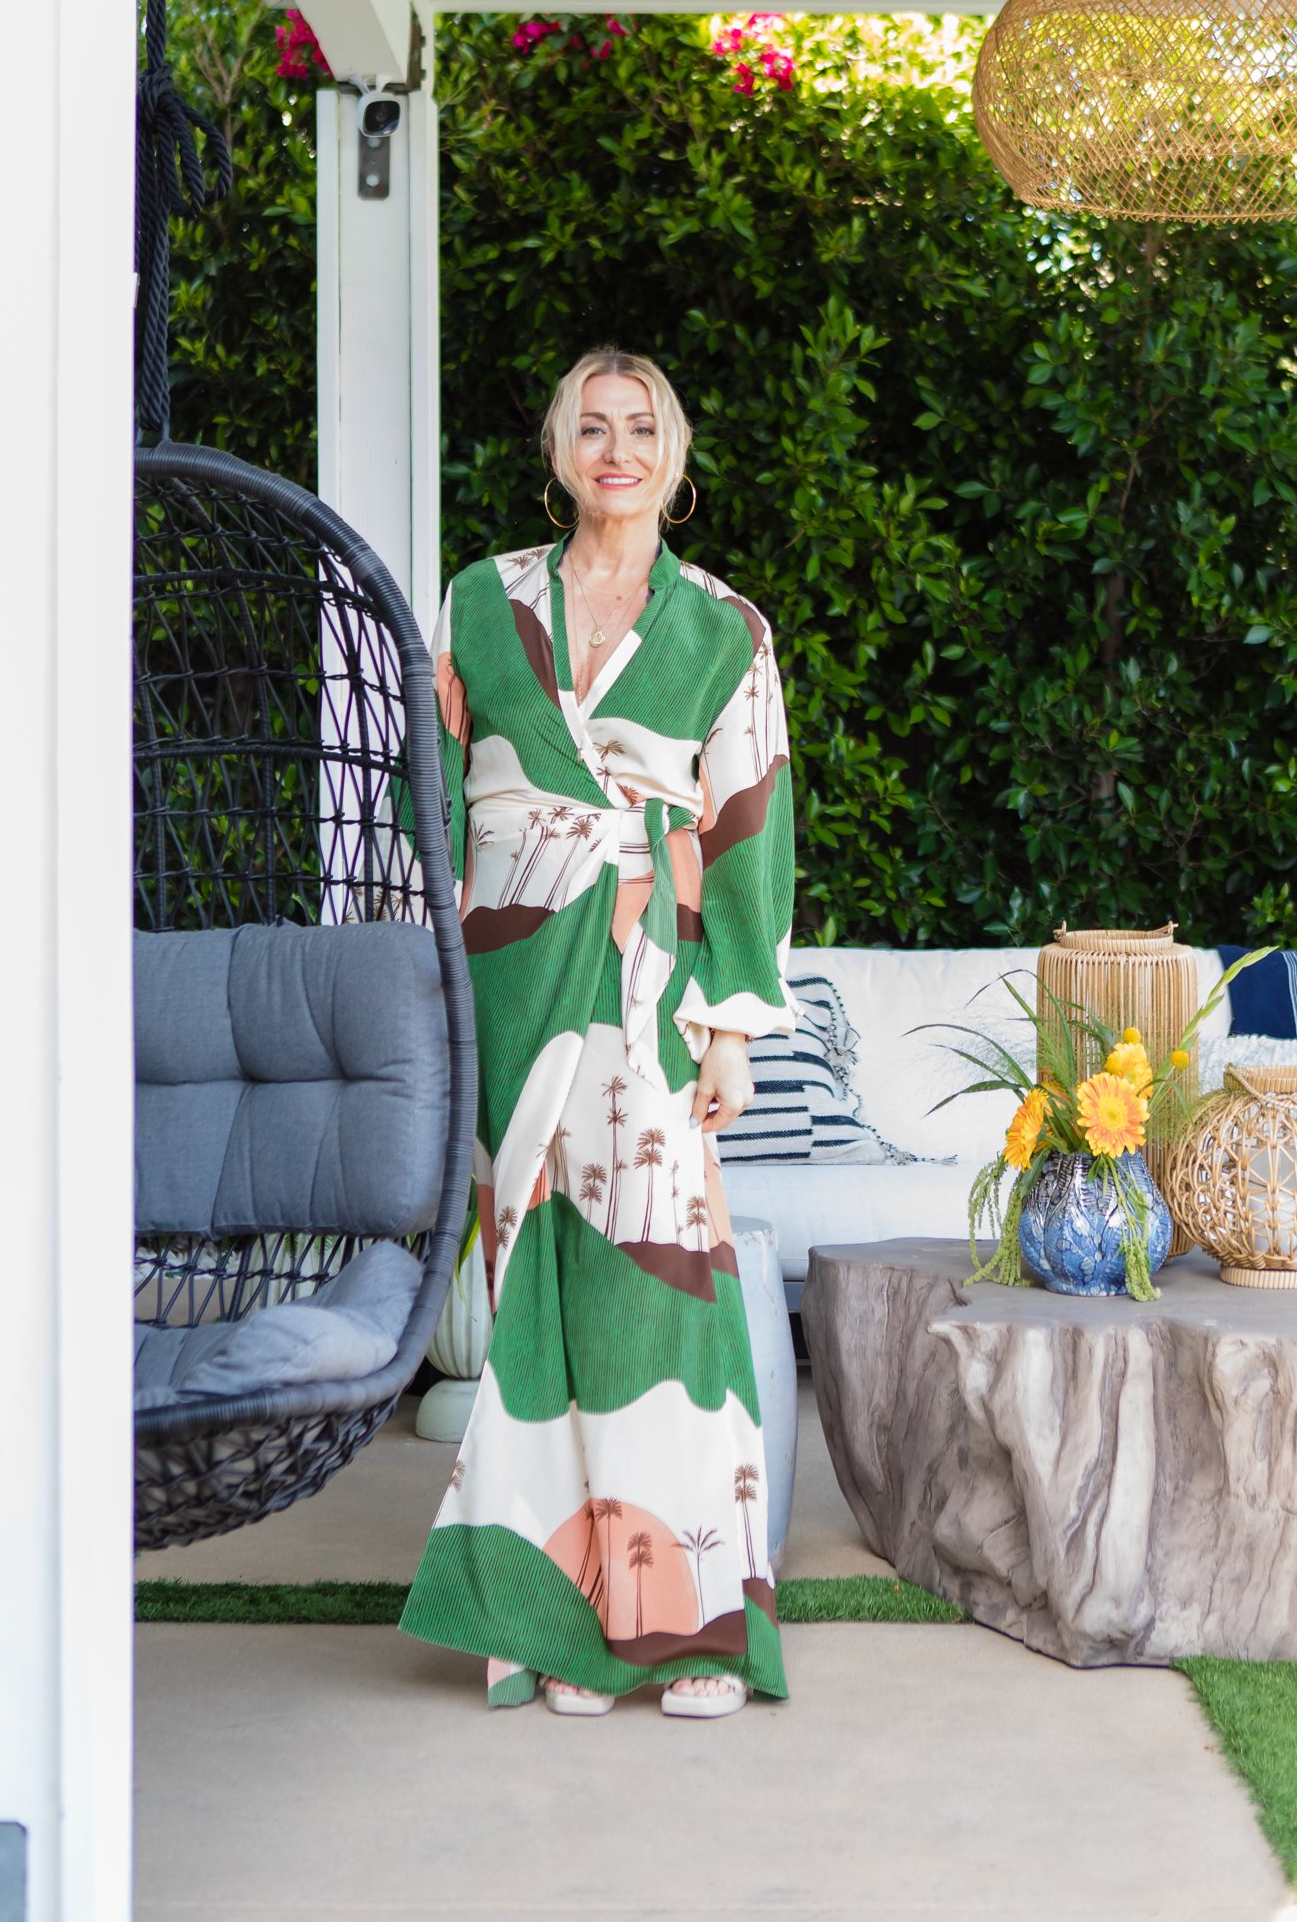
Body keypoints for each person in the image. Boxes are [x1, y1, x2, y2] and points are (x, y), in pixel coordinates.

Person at [400, 348, 795, 1718]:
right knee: (538, 1292)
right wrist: (430, 994)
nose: (616, 449)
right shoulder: (479, 600)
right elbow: (435, 803)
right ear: (557, 448)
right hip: (512, 975)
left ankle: (682, 1627)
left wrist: (732, 1029)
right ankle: (563, 1621)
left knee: (659, 1281)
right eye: (592, 426)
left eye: (642, 428)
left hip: (648, 982)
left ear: (675, 459)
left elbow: (746, 836)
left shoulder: (727, 632)